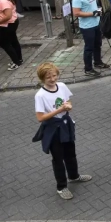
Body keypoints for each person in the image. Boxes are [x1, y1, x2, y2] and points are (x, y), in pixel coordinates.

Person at [32, 62, 93, 200]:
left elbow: (68, 102)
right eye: (48, 77)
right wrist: (60, 110)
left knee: (70, 153)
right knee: (58, 158)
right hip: (53, 129)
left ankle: (74, 176)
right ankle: (61, 187)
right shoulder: (40, 95)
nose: (52, 79)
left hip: (66, 125)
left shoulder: (62, 86)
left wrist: (68, 106)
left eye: (54, 75)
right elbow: (40, 118)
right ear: (42, 79)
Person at [72, 0, 109, 77]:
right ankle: (88, 69)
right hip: (87, 26)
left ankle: (98, 62)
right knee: (89, 47)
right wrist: (93, 13)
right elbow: (76, 13)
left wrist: (97, 10)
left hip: (96, 23)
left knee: (98, 44)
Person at [0, 0, 23, 70]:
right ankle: (19, 59)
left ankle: (16, 62)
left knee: (5, 44)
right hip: (12, 23)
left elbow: (8, 16)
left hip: (6, 25)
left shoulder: (3, 1)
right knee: (14, 41)